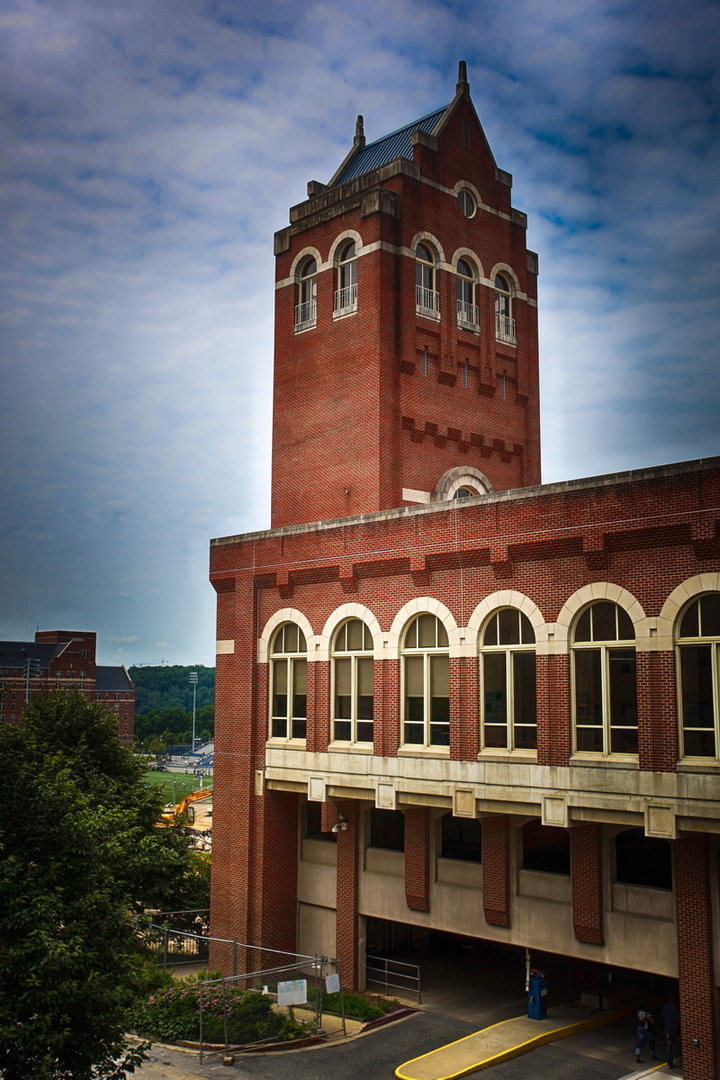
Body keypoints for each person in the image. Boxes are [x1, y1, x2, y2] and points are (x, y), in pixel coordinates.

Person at [661, 997, 680, 1068]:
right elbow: (678, 1019)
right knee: (678, 1046)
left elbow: (663, 1016)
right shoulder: (676, 1007)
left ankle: (669, 1063)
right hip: (676, 1029)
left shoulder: (666, 1006)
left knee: (669, 1046)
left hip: (668, 1029)